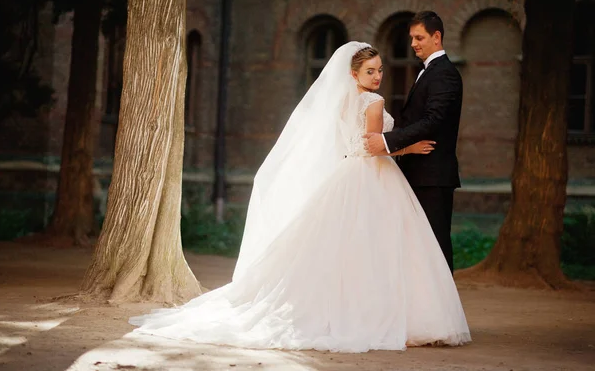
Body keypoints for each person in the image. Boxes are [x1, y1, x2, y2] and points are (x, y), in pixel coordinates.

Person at [129, 41, 471, 353]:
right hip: (372, 176)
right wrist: (408, 146)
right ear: (353, 74)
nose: (378, 76)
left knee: (346, 248)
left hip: (346, 175)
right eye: (370, 71)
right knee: (379, 246)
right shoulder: (373, 101)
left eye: (380, 70)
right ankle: (383, 314)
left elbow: (352, 143)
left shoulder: (341, 100)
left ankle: (348, 309)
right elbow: (370, 146)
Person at [364, 10, 463, 274]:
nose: (413, 44)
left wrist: (387, 141)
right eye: (411, 38)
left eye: (419, 37)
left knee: (436, 246)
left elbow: (433, 121)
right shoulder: (429, 72)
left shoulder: (445, 74)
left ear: (437, 37)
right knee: (418, 246)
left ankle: (444, 310)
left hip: (432, 175)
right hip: (417, 172)